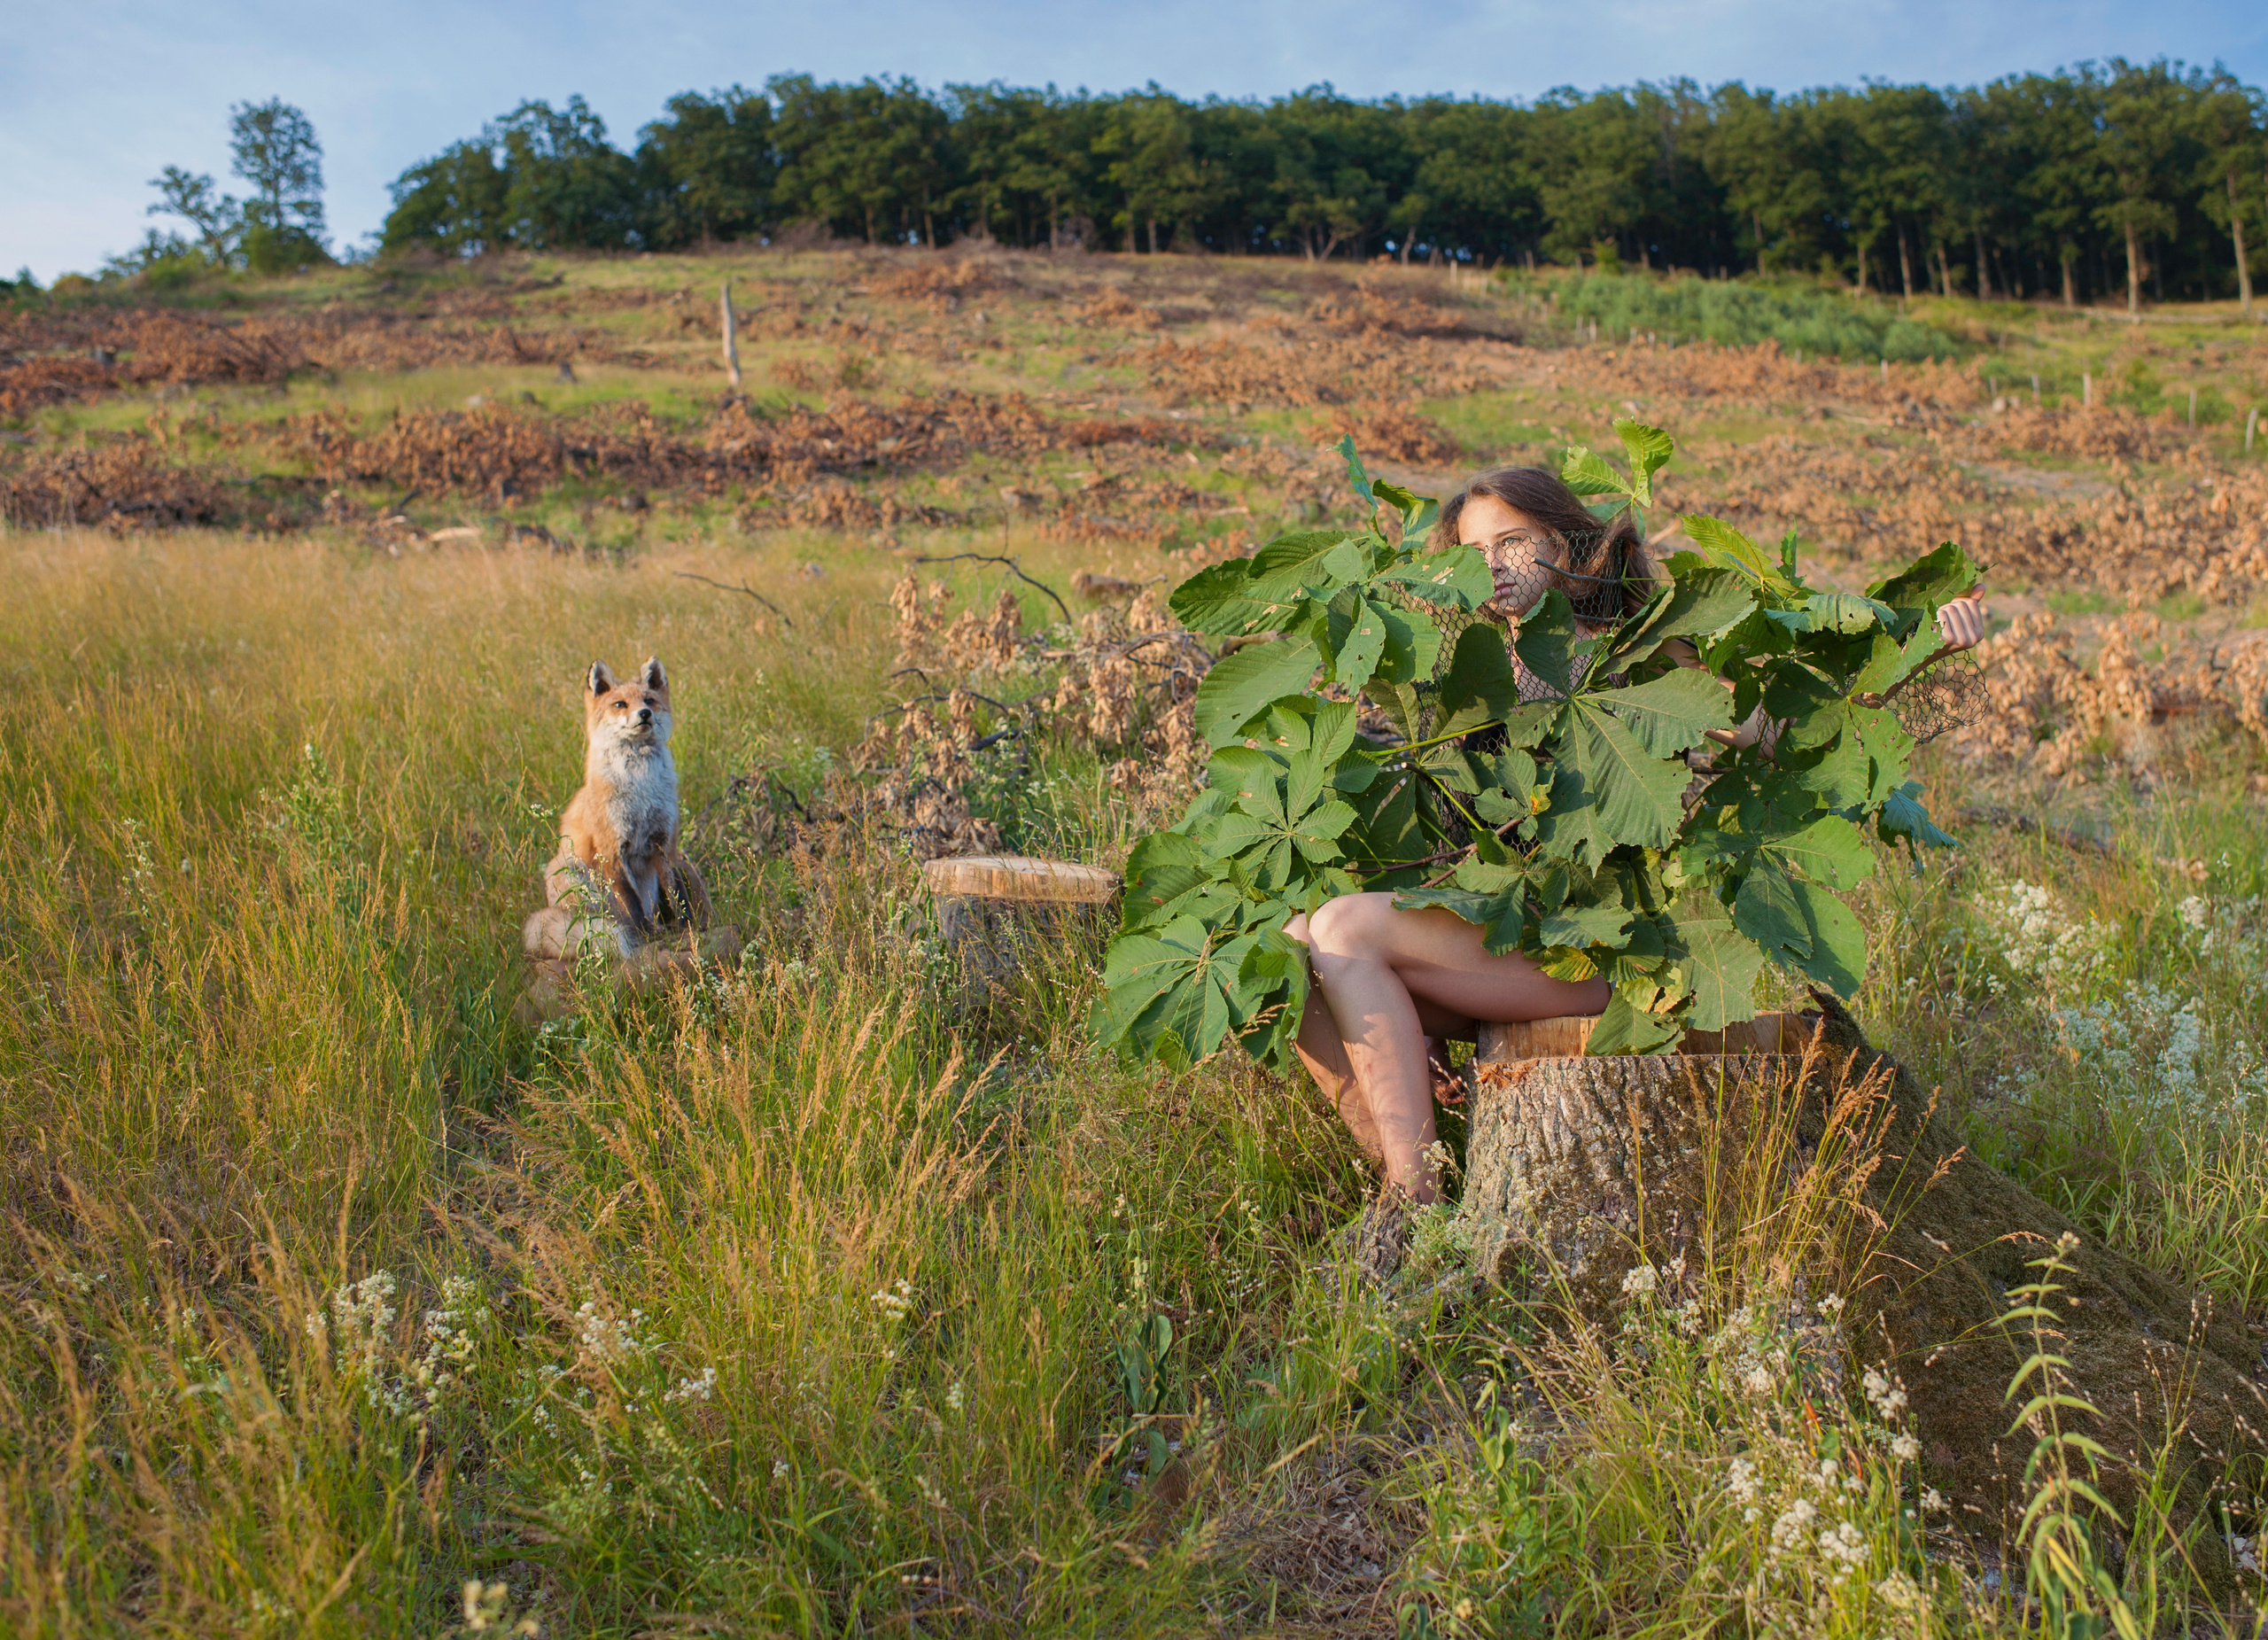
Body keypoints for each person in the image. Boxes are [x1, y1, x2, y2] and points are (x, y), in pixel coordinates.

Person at [1282, 466, 1988, 1219]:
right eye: (1473, 549)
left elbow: (1785, 735)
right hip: (1511, 935)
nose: (1492, 564)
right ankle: (1424, 1185)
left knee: (1344, 928)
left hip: (1606, 952)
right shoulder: (1471, 674)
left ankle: (1409, 1205)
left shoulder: (1634, 654)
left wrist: (1922, 650)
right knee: (1296, 943)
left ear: (1568, 541)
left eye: (1514, 541)